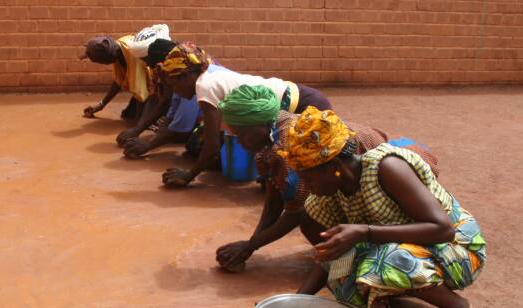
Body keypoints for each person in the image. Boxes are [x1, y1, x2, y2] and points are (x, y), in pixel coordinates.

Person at [280, 107, 485, 308]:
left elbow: (443, 229)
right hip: (402, 247)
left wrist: (364, 232)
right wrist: (297, 302)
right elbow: (330, 256)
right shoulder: (326, 197)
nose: (307, 186)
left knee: (390, 262)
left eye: (309, 178)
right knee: (342, 283)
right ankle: (384, 293)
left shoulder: (386, 168)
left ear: (333, 167)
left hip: (454, 247)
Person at [214, 85, 440, 272]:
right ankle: (343, 260)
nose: (239, 142)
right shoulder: (273, 133)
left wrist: (251, 245)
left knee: (309, 217)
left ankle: (358, 262)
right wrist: (251, 245)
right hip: (350, 180)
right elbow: (275, 196)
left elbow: (296, 211)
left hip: (391, 185)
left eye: (240, 134)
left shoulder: (288, 145)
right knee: (315, 211)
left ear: (260, 126)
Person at [147, 39, 331, 188]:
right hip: (306, 96)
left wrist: (188, 176)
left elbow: (212, 145)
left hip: (302, 105)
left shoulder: (204, 87)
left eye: (174, 85)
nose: (175, 91)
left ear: (187, 76)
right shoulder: (210, 75)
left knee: (297, 172)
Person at [79, 24, 170, 145]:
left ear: (108, 58)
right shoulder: (117, 46)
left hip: (158, 86)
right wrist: (101, 105)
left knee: (148, 118)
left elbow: (141, 93)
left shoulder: (134, 57)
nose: (104, 65)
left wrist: (137, 130)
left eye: (102, 62)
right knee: (128, 115)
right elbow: (118, 81)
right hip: (148, 85)